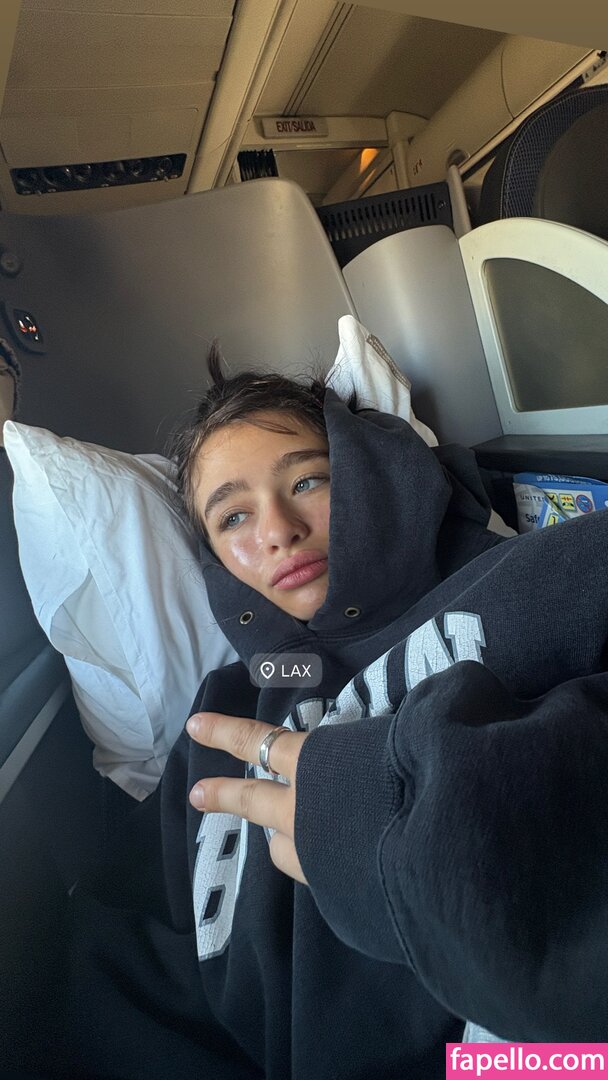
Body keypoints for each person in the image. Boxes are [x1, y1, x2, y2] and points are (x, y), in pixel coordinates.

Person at [39, 346, 608, 1077]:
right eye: (233, 516)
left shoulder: (542, 577)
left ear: (373, 474)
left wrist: (400, 826)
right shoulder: (222, 713)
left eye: (307, 480)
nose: (276, 530)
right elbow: (131, 964)